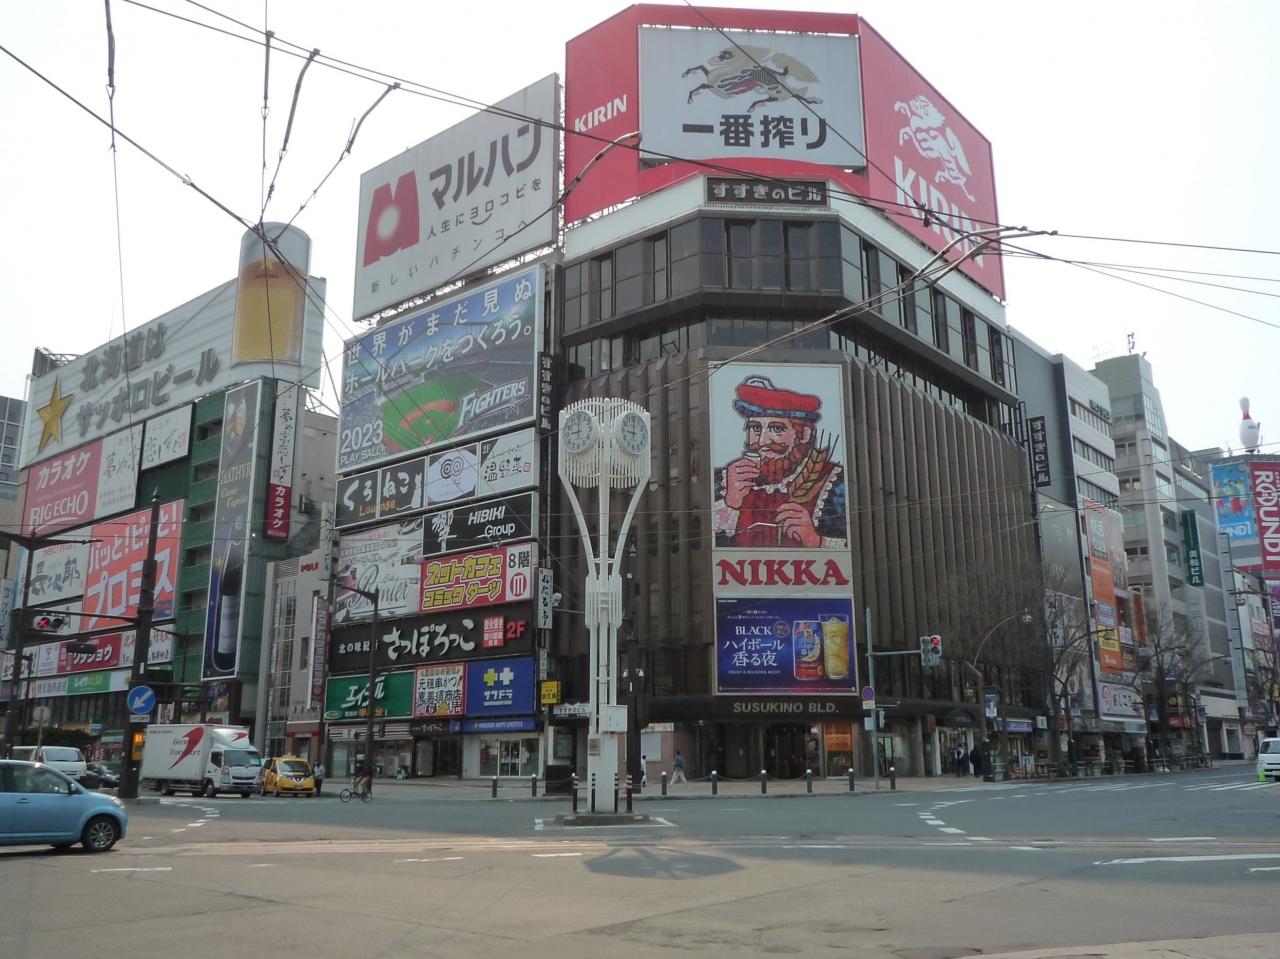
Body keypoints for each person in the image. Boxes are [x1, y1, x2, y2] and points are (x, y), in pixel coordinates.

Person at [713, 375, 847, 549]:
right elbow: (698, 542)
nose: (762, 441)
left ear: (804, 435)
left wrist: (816, 541)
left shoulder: (835, 483)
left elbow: (862, 546)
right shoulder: (723, 481)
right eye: (755, 428)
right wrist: (730, 503)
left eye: (776, 429)